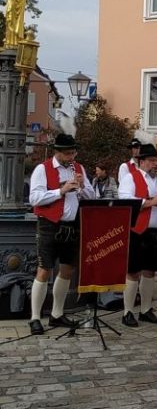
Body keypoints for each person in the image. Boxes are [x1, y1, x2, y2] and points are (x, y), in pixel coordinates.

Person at [28, 133, 95, 335]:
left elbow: (92, 196)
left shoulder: (79, 168)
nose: (71, 157)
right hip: (49, 225)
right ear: (57, 152)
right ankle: (35, 317)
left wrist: (82, 186)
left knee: (67, 270)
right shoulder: (43, 169)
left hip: (72, 225)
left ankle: (57, 314)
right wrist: (61, 190)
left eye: (73, 153)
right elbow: (35, 198)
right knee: (44, 269)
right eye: (67, 154)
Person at [118, 143, 157, 327]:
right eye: (152, 160)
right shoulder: (131, 177)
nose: (156, 164)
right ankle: (127, 311)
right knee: (133, 271)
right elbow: (125, 199)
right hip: (137, 230)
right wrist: (152, 202)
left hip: (154, 232)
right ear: (142, 161)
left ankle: (146, 309)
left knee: (150, 271)